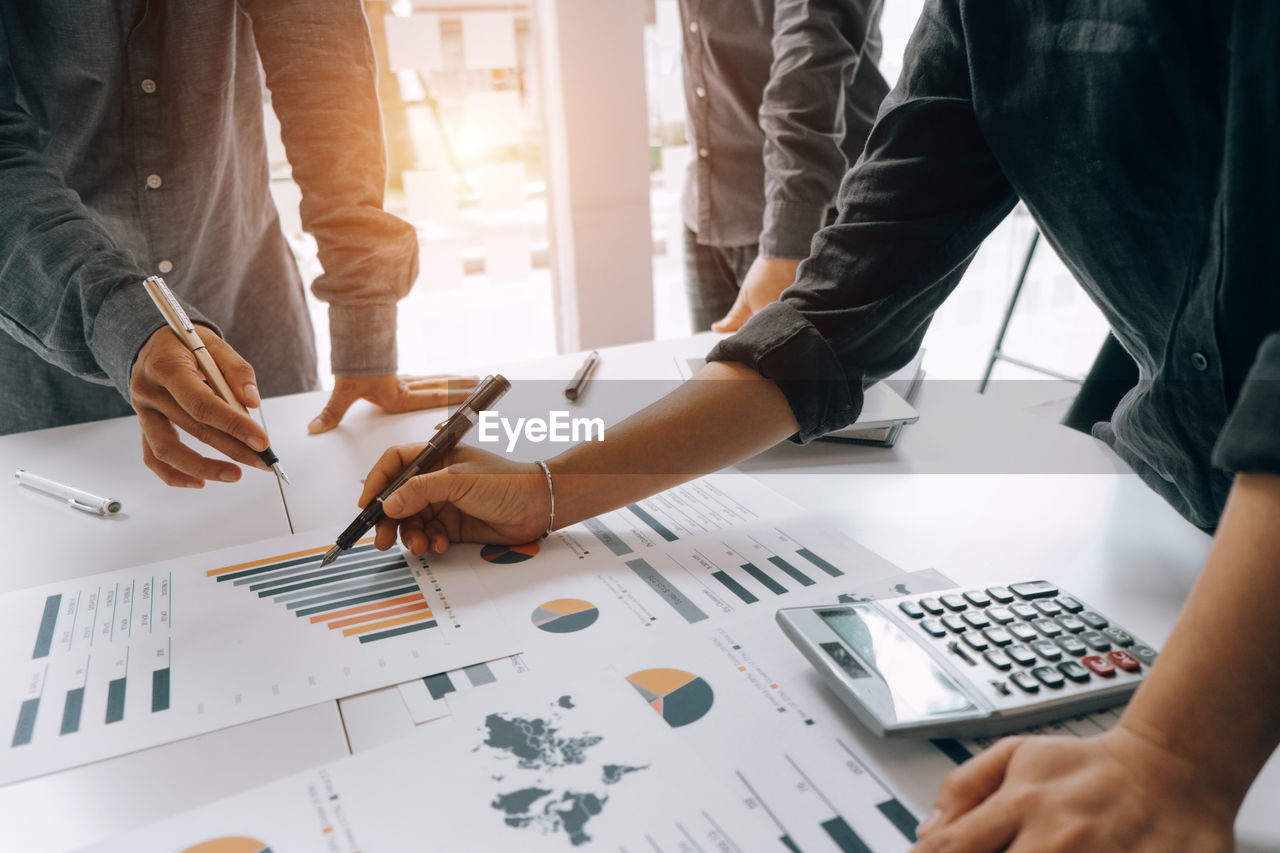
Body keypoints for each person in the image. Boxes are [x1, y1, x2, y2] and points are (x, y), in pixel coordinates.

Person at [356, 1, 1280, 849]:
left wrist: (1176, 754)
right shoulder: (981, 18)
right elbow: (834, 319)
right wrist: (547, 488)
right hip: (1170, 527)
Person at [0, 2, 472, 488]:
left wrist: (364, 326)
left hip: (252, 309)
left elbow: (323, 65)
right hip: (49, 366)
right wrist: (123, 322)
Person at [677, 0, 889, 332]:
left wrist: (787, 236)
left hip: (811, 216)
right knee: (717, 376)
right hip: (708, 206)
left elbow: (810, 45)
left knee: (809, 381)